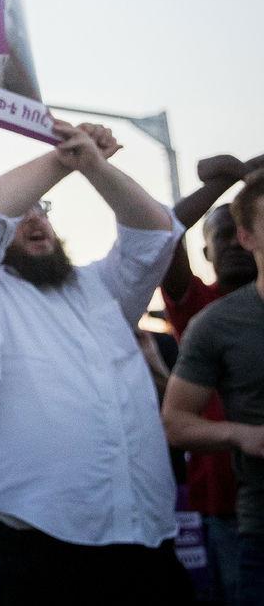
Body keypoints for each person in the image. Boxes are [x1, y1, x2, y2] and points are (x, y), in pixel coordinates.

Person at [0, 120, 193, 605]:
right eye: (21, 216)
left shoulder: (103, 289)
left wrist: (92, 165)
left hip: (144, 539)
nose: (35, 221)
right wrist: (60, 159)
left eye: (42, 211)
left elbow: (156, 236)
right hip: (33, 549)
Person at [160, 153, 263, 605]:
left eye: (243, 234)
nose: (237, 246)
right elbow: (162, 236)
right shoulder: (199, 306)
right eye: (224, 237)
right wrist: (224, 181)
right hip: (228, 501)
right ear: (206, 253)